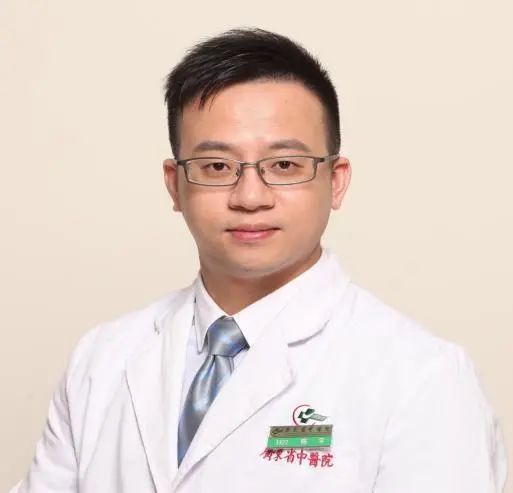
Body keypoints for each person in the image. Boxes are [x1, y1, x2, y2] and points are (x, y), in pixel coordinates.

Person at [11, 27, 507, 493]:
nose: (250, 196)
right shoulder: (103, 358)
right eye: (216, 166)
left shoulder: (422, 376)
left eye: (284, 165)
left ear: (335, 181)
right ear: (175, 185)